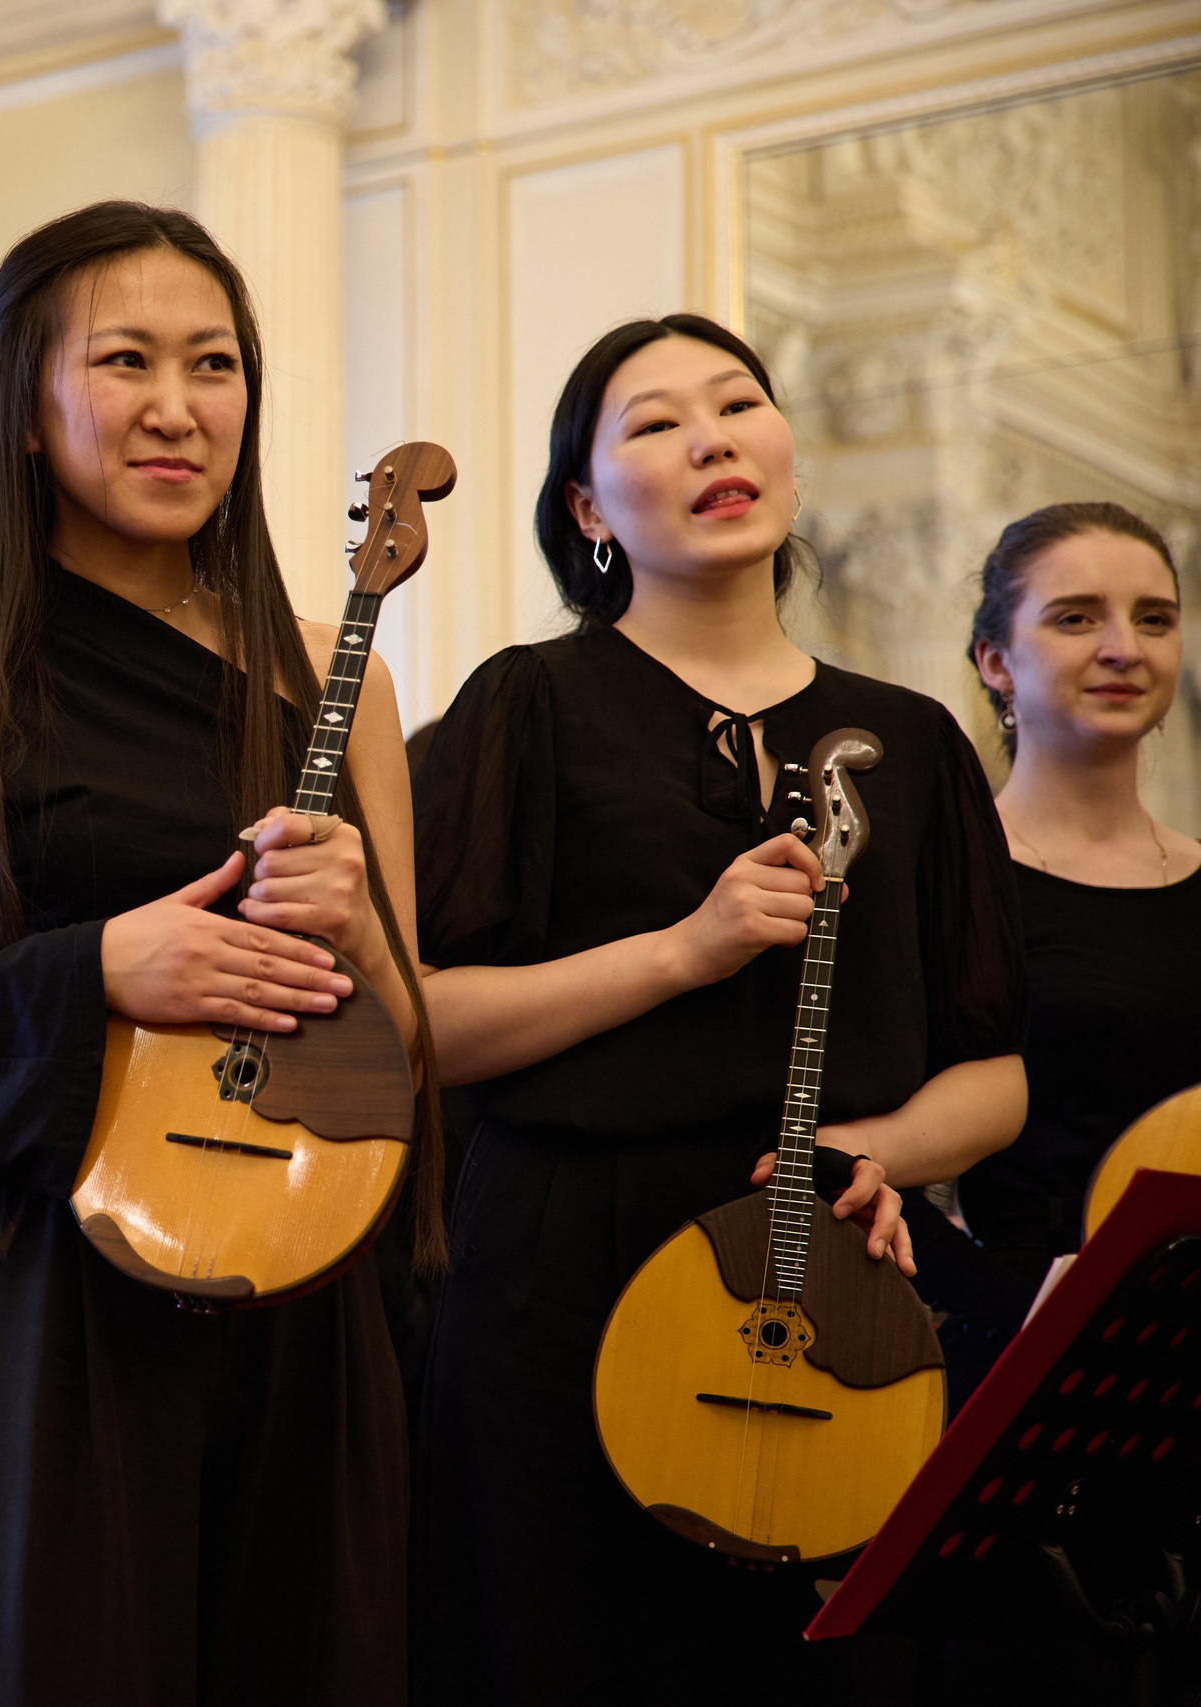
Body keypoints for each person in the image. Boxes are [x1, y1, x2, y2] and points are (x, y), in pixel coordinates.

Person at [0, 201, 436, 1707]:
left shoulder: (335, 677)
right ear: (24, 406)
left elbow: (405, 1046)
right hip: (36, 1297)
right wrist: (96, 974)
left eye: (214, 365)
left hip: (303, 1292)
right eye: (125, 359)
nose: (177, 406)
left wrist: (366, 944)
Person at [411, 314, 1026, 1701]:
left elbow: (997, 1068)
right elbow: (428, 1026)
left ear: (788, 457)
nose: (711, 439)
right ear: (587, 507)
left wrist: (879, 1154)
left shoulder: (917, 737)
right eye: (652, 422)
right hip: (559, 1270)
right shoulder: (525, 704)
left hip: (828, 1272)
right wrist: (682, 951)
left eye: (738, 404)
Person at [910, 503, 1200, 1392]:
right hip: (1024, 1358)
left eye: (1154, 618)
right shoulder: (944, 885)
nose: (1125, 647)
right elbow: (846, 1169)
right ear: (995, 660)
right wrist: (1020, 1290)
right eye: (1076, 617)